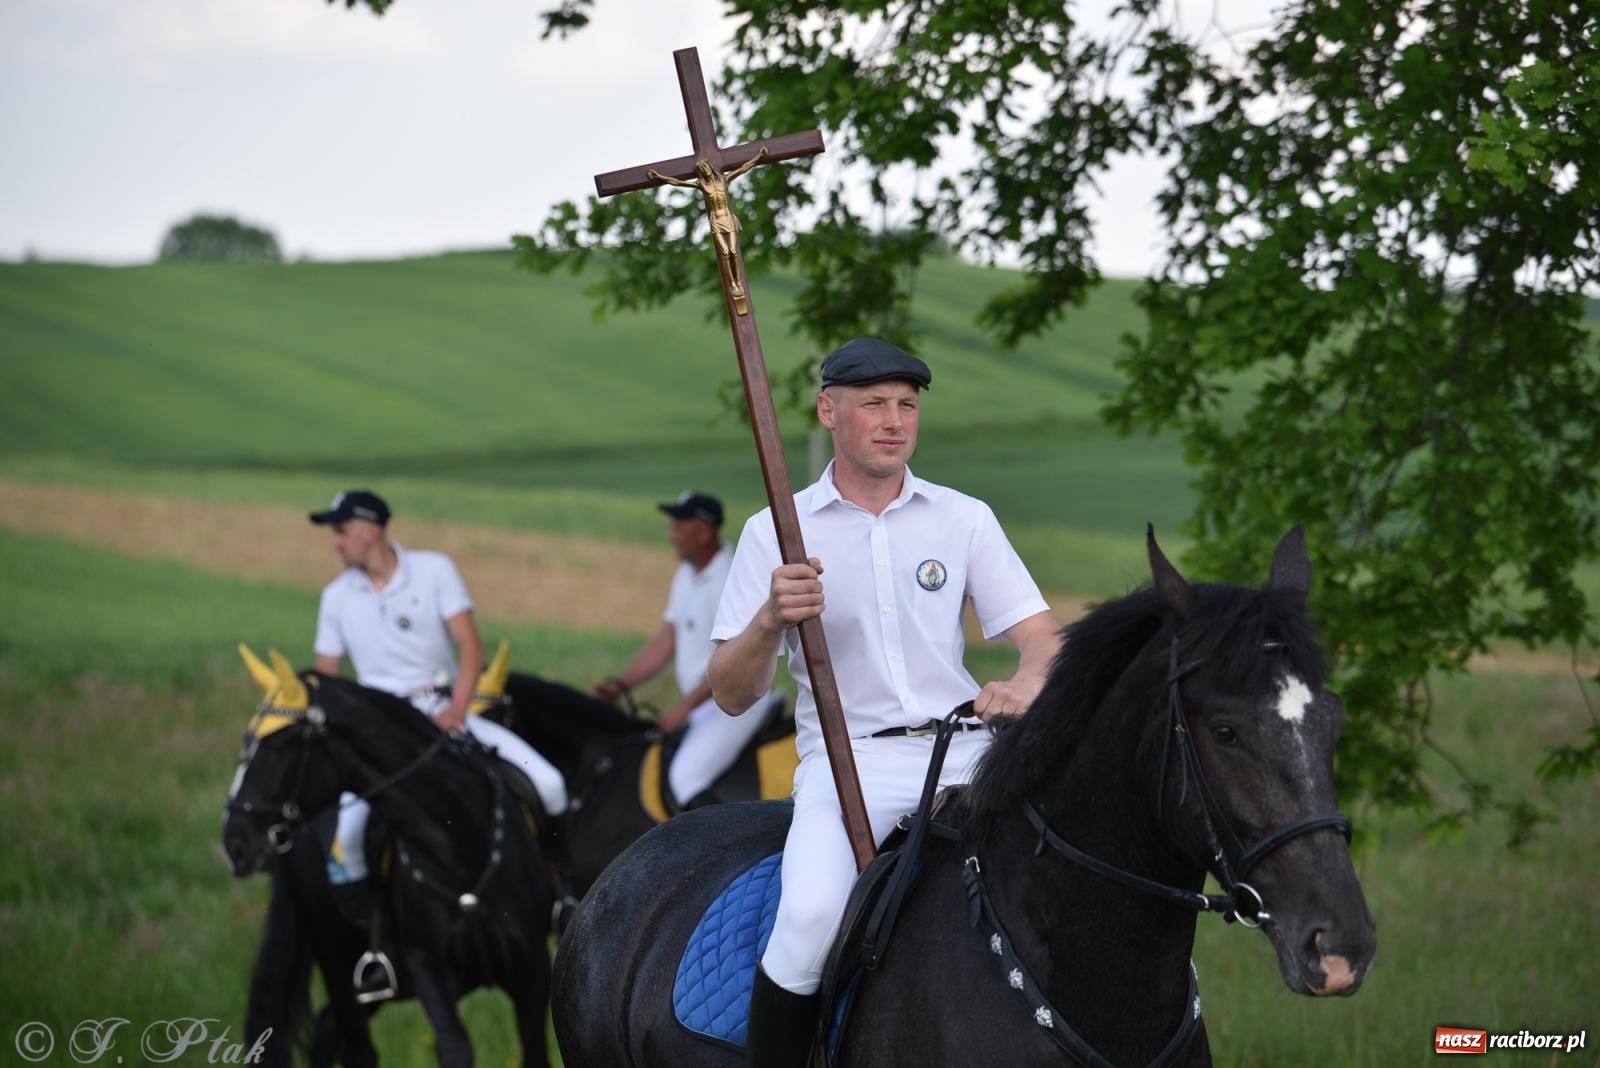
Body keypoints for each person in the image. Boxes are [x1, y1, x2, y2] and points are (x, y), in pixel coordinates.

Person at [707, 338, 1062, 1067]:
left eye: (907, 404)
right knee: (808, 922)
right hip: (852, 766)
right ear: (828, 411)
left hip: (968, 753)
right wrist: (769, 620)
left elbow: (1044, 642)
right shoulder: (774, 532)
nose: (895, 421)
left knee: (1079, 873)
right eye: (873, 404)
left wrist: (1027, 685)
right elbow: (731, 694)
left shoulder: (963, 518)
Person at [307, 490, 570, 893]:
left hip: (443, 709)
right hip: (378, 727)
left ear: (370, 530)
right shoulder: (335, 597)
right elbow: (326, 682)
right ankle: (366, 926)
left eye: (341, 531)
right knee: (349, 839)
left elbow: (471, 646)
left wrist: (457, 709)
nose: (335, 543)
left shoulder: (434, 570)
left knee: (549, 783)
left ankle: (560, 890)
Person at [592, 491, 783, 810]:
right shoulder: (686, 574)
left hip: (736, 705)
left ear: (704, 533)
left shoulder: (729, 578)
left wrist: (683, 708)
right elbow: (666, 640)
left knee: (684, 779)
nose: (672, 535)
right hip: (705, 707)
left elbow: (737, 663)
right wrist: (621, 685)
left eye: (679, 527)